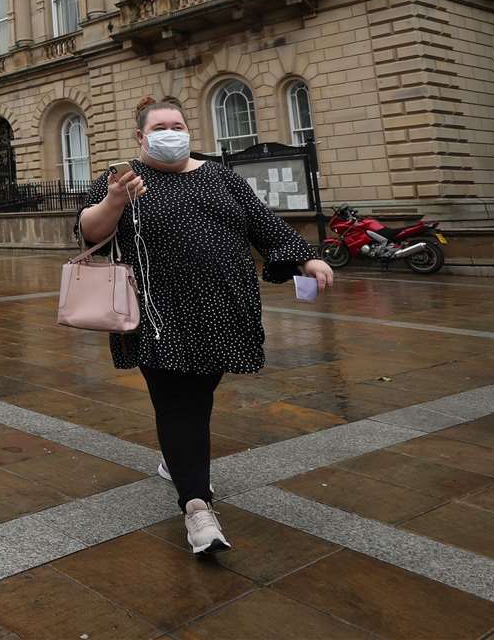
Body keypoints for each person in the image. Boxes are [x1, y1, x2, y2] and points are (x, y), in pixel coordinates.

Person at [76, 94, 334, 555]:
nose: (170, 132)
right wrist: (115, 199)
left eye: (177, 124)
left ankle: (177, 458)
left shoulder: (221, 177)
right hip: (156, 314)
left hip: (224, 312)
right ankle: (198, 508)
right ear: (141, 136)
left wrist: (308, 259)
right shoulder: (124, 180)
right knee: (180, 405)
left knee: (197, 396)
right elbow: (89, 231)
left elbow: (264, 225)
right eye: (160, 127)